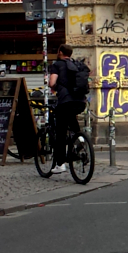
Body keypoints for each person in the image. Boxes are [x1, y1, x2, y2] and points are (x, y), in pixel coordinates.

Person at [48, 44, 87, 174]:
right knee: (71, 117)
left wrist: (55, 87)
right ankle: (80, 139)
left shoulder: (57, 65)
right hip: (80, 101)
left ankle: (60, 164)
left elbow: (52, 83)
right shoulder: (77, 65)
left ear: (60, 52)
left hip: (65, 101)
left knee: (61, 132)